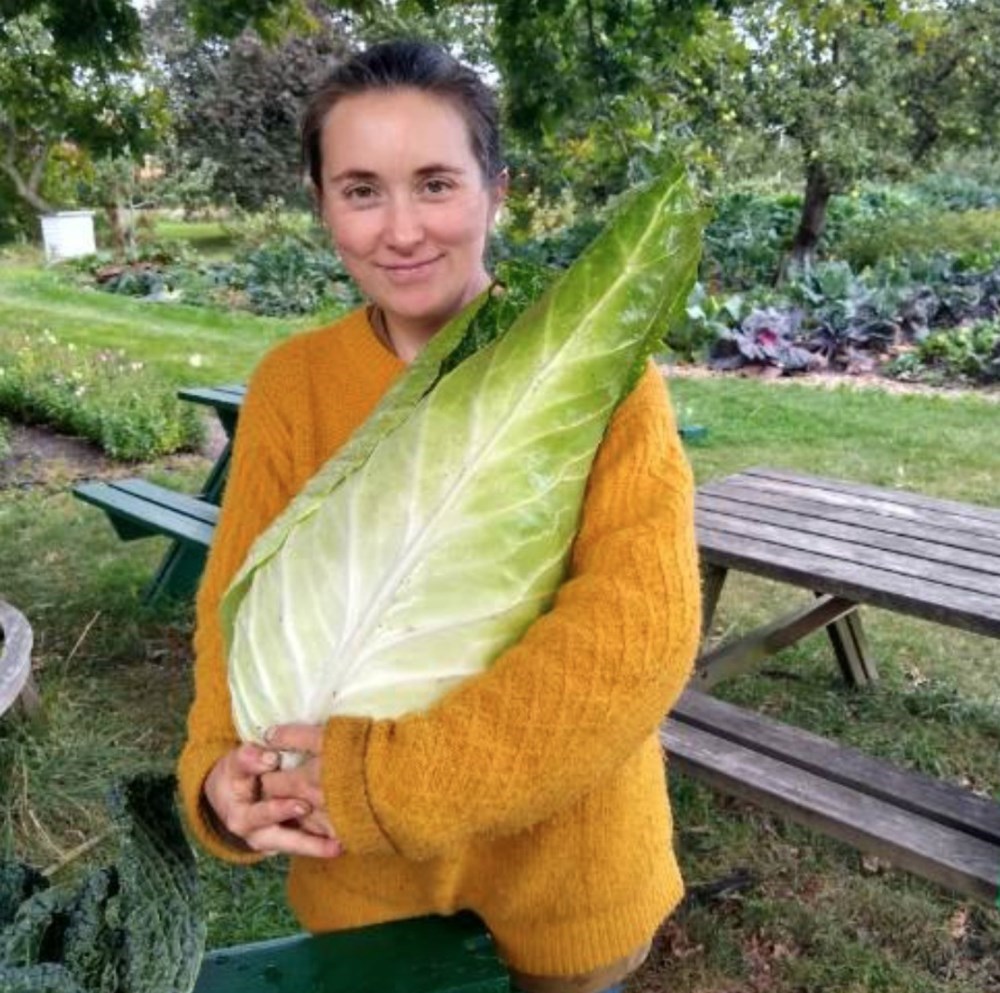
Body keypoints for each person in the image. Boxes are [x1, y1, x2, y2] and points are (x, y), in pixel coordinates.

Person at [177, 39, 701, 993]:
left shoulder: (599, 378)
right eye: (361, 189)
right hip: (368, 905)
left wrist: (382, 780)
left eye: (434, 183)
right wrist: (219, 770)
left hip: (563, 893)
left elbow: (638, 636)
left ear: (496, 190)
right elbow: (230, 608)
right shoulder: (293, 383)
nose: (402, 229)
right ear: (323, 204)